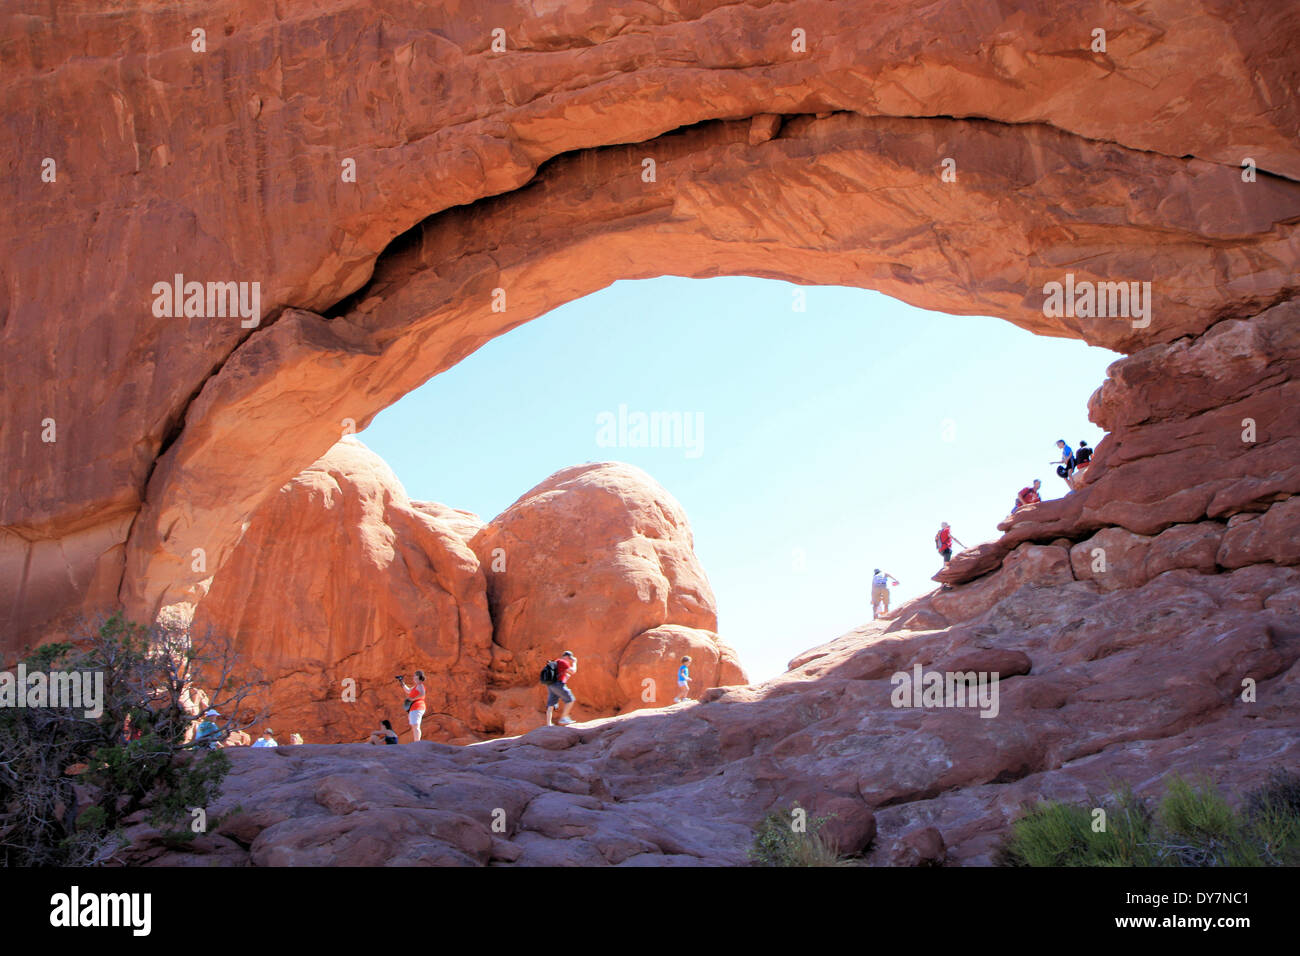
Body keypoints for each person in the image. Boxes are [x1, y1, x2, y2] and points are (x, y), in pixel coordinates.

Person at [545, 651, 578, 726]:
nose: (570, 660)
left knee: (551, 705)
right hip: (557, 684)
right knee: (570, 699)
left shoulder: (556, 662)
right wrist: (575, 663)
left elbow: (564, 675)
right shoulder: (563, 662)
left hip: (550, 685)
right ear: (567, 657)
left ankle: (548, 724)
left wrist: (566, 676)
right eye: (570, 659)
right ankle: (563, 718)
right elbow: (573, 671)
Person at [396, 671, 427, 742]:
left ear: (419, 676)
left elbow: (422, 694)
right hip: (413, 707)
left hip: (418, 706)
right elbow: (408, 691)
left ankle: (417, 742)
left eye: (415, 676)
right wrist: (401, 681)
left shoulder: (420, 685)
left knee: (416, 725)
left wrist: (412, 699)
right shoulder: (415, 686)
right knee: (414, 725)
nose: (413, 677)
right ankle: (416, 741)